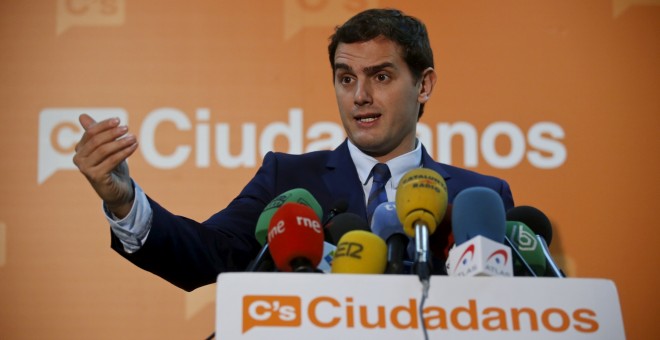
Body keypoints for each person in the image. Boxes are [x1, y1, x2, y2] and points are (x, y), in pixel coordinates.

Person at [73, 8, 513, 292]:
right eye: (345, 78)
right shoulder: (287, 179)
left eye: (380, 76)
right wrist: (125, 200)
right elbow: (206, 254)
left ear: (424, 85)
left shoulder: (481, 199)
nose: (359, 96)